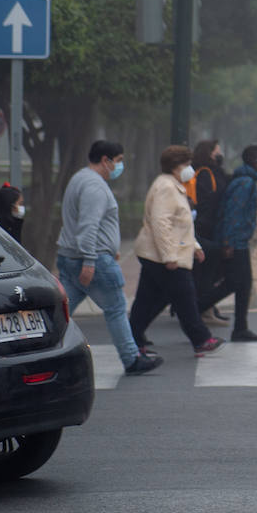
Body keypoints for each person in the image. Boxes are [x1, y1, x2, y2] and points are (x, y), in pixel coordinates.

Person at [55, 140, 161, 375]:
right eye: (119, 160)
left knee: (60, 312)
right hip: (92, 261)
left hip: (71, 257)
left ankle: (41, 352)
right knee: (116, 308)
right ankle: (131, 359)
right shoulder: (95, 187)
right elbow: (88, 226)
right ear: (106, 160)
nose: (120, 166)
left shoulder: (79, 178)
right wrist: (90, 260)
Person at [128, 145, 226, 358]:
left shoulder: (173, 185)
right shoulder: (166, 188)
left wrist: (196, 247)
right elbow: (161, 224)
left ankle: (132, 339)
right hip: (164, 256)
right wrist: (169, 256)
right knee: (185, 297)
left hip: (157, 254)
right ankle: (201, 340)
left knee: (147, 300)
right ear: (175, 166)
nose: (190, 168)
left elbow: (181, 225)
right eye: (187, 164)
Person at [200, 144, 257, 342]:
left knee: (244, 285)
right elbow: (234, 214)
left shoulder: (246, 180)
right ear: (254, 161)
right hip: (235, 242)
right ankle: (194, 309)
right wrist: (228, 242)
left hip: (239, 240)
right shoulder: (245, 184)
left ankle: (240, 328)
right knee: (233, 283)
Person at [187, 139, 230, 324]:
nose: (219, 154)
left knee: (209, 270)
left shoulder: (211, 171)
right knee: (207, 269)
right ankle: (204, 310)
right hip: (206, 227)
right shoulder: (205, 173)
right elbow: (208, 201)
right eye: (216, 151)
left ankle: (207, 307)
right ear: (209, 153)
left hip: (209, 226)